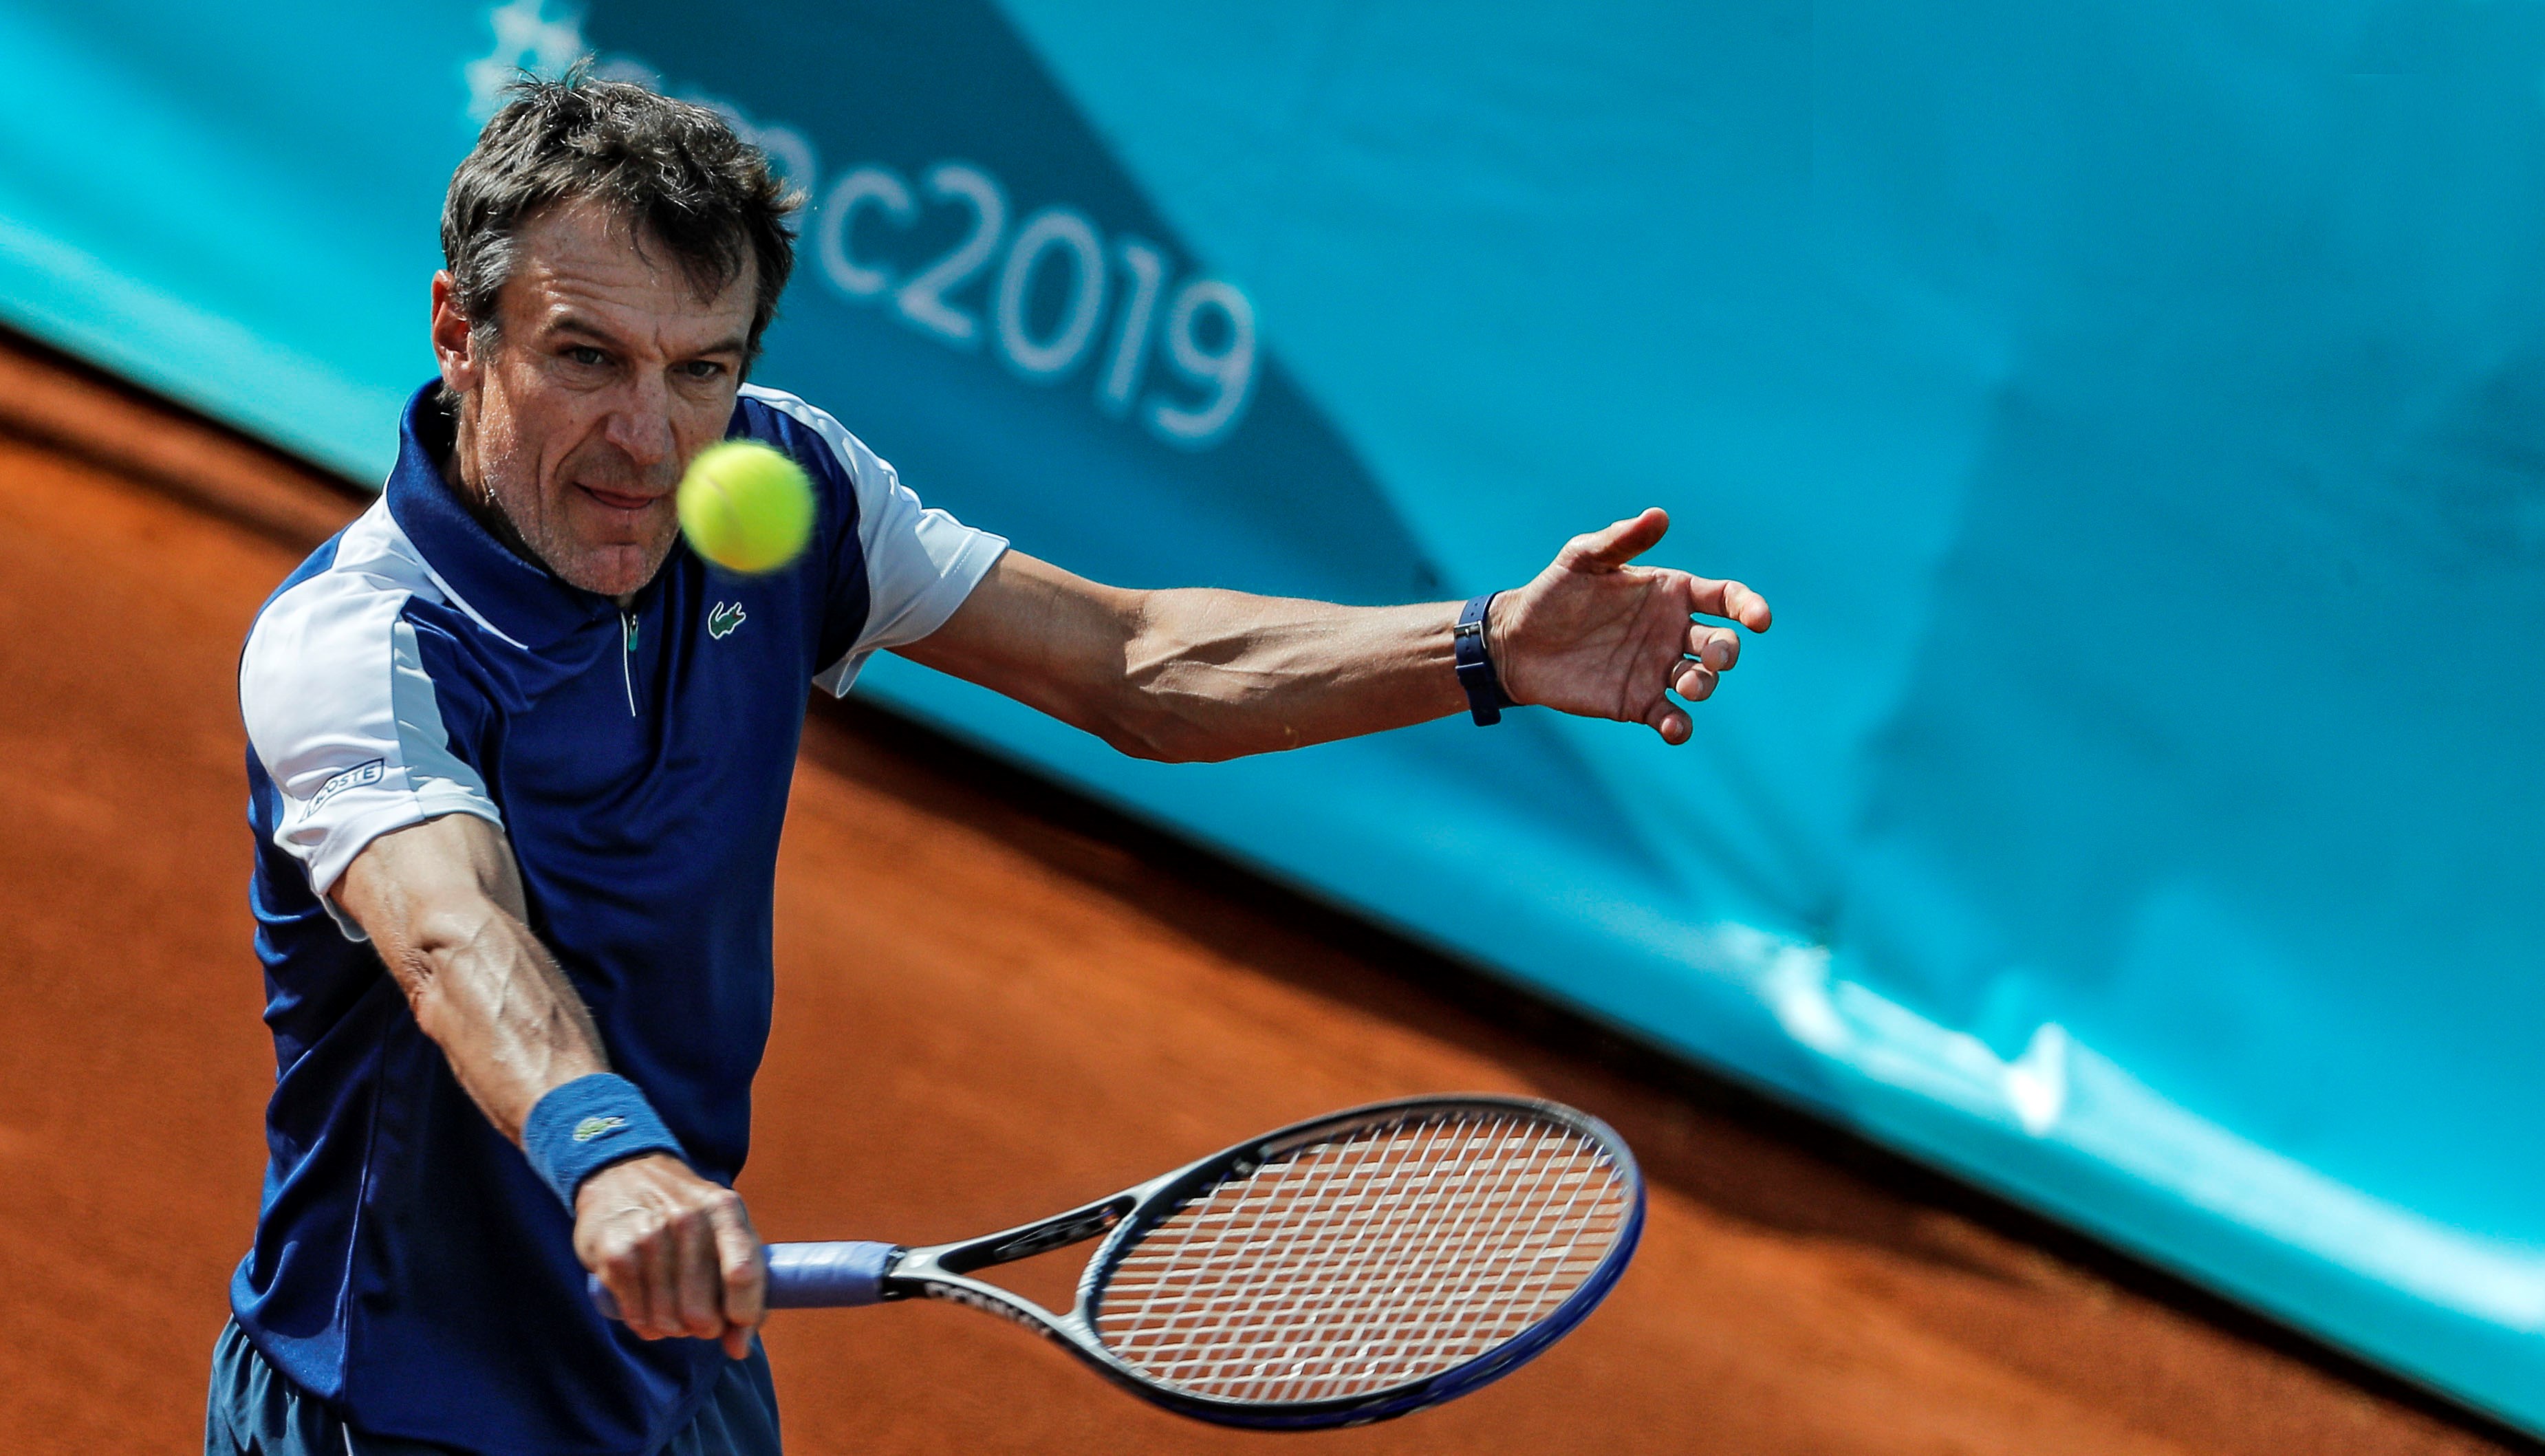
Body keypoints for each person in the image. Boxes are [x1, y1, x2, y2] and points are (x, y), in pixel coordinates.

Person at [210, 72, 1770, 1456]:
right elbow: (449, 928)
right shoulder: (358, 645)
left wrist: (1487, 644)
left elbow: (1133, 662)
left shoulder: (790, 485)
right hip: (401, 1407)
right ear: (456, 332)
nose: (650, 438)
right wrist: (607, 1155)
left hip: (673, 1371)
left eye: (703, 372)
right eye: (587, 358)